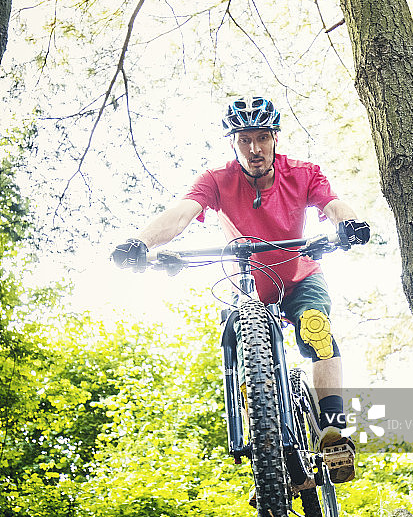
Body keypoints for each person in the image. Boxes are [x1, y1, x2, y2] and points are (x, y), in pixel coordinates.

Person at [112, 97, 370, 484]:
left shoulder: (302, 172)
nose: (254, 149)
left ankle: (333, 434)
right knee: (246, 358)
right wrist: (141, 242)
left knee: (315, 328)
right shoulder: (216, 179)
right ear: (233, 142)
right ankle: (269, 463)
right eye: (244, 139)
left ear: (275, 138)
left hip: (299, 274)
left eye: (262, 138)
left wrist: (349, 222)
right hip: (247, 283)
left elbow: (332, 203)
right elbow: (181, 213)